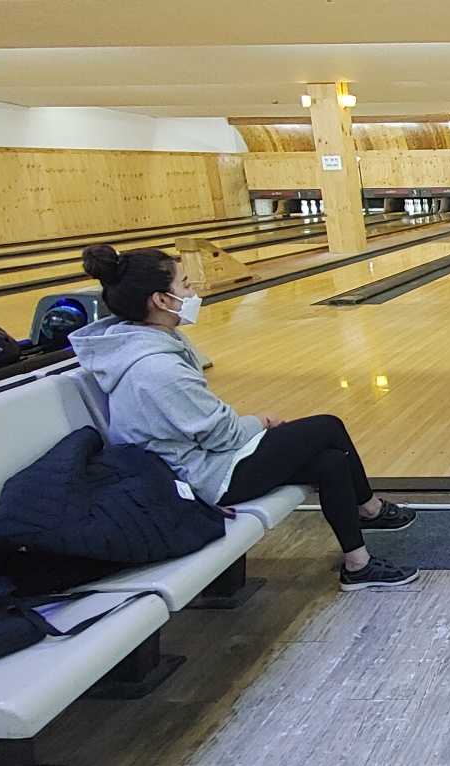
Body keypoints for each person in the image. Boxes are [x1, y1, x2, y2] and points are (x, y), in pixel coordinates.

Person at [70, 245, 420, 592]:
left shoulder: (143, 343)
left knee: (330, 461)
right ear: (161, 300)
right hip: (194, 481)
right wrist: (259, 422)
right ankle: (370, 509)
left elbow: (202, 424)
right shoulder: (157, 368)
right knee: (327, 427)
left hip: (193, 463)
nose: (193, 293)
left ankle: (358, 564)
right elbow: (220, 435)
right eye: (186, 285)